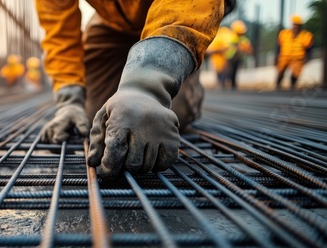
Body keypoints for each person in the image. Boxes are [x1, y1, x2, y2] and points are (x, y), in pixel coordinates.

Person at [36, 0, 235, 177]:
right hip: (114, 21)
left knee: (163, 115)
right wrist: (69, 100)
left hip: (180, 12)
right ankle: (138, 71)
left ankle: (183, 67)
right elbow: (58, 29)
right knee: (97, 115)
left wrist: (148, 87)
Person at [276, 15, 314, 89]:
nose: (295, 27)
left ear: (300, 26)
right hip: (284, 56)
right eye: (294, 24)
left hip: (297, 58)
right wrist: (276, 56)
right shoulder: (284, 34)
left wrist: (308, 57)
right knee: (280, 71)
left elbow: (309, 48)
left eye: (297, 25)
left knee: (295, 74)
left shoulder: (306, 35)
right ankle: (278, 85)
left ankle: (292, 86)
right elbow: (278, 46)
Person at [225, 20, 252, 89]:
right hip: (231, 58)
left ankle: (233, 84)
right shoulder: (232, 38)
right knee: (230, 71)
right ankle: (229, 83)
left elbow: (248, 48)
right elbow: (233, 45)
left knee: (234, 71)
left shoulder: (243, 40)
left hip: (237, 58)